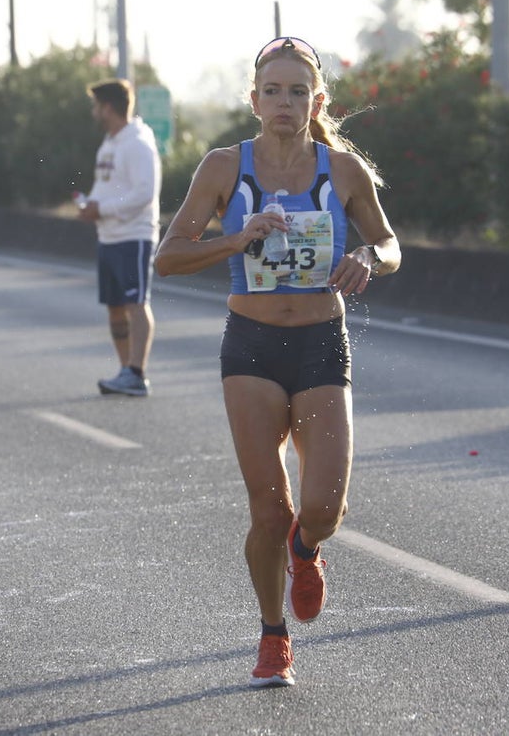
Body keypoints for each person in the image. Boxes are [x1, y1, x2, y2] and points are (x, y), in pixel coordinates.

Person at [153, 36, 400, 687]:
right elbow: (167, 255)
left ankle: (306, 550)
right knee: (267, 508)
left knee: (320, 508)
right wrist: (236, 238)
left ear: (316, 100)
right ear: (255, 100)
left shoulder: (341, 170)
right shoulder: (222, 167)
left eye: (297, 91)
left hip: (321, 343)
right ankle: (273, 636)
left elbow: (390, 240)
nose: (284, 101)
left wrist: (368, 259)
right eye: (272, 90)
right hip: (252, 347)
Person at [78, 78, 162, 397]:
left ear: (108, 107)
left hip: (133, 235)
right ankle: (125, 370)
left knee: (135, 302)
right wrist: (90, 205)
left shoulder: (137, 143)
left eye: (96, 106)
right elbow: (107, 186)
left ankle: (137, 372)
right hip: (109, 235)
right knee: (115, 306)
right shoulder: (110, 143)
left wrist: (105, 208)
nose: (94, 112)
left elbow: (144, 194)